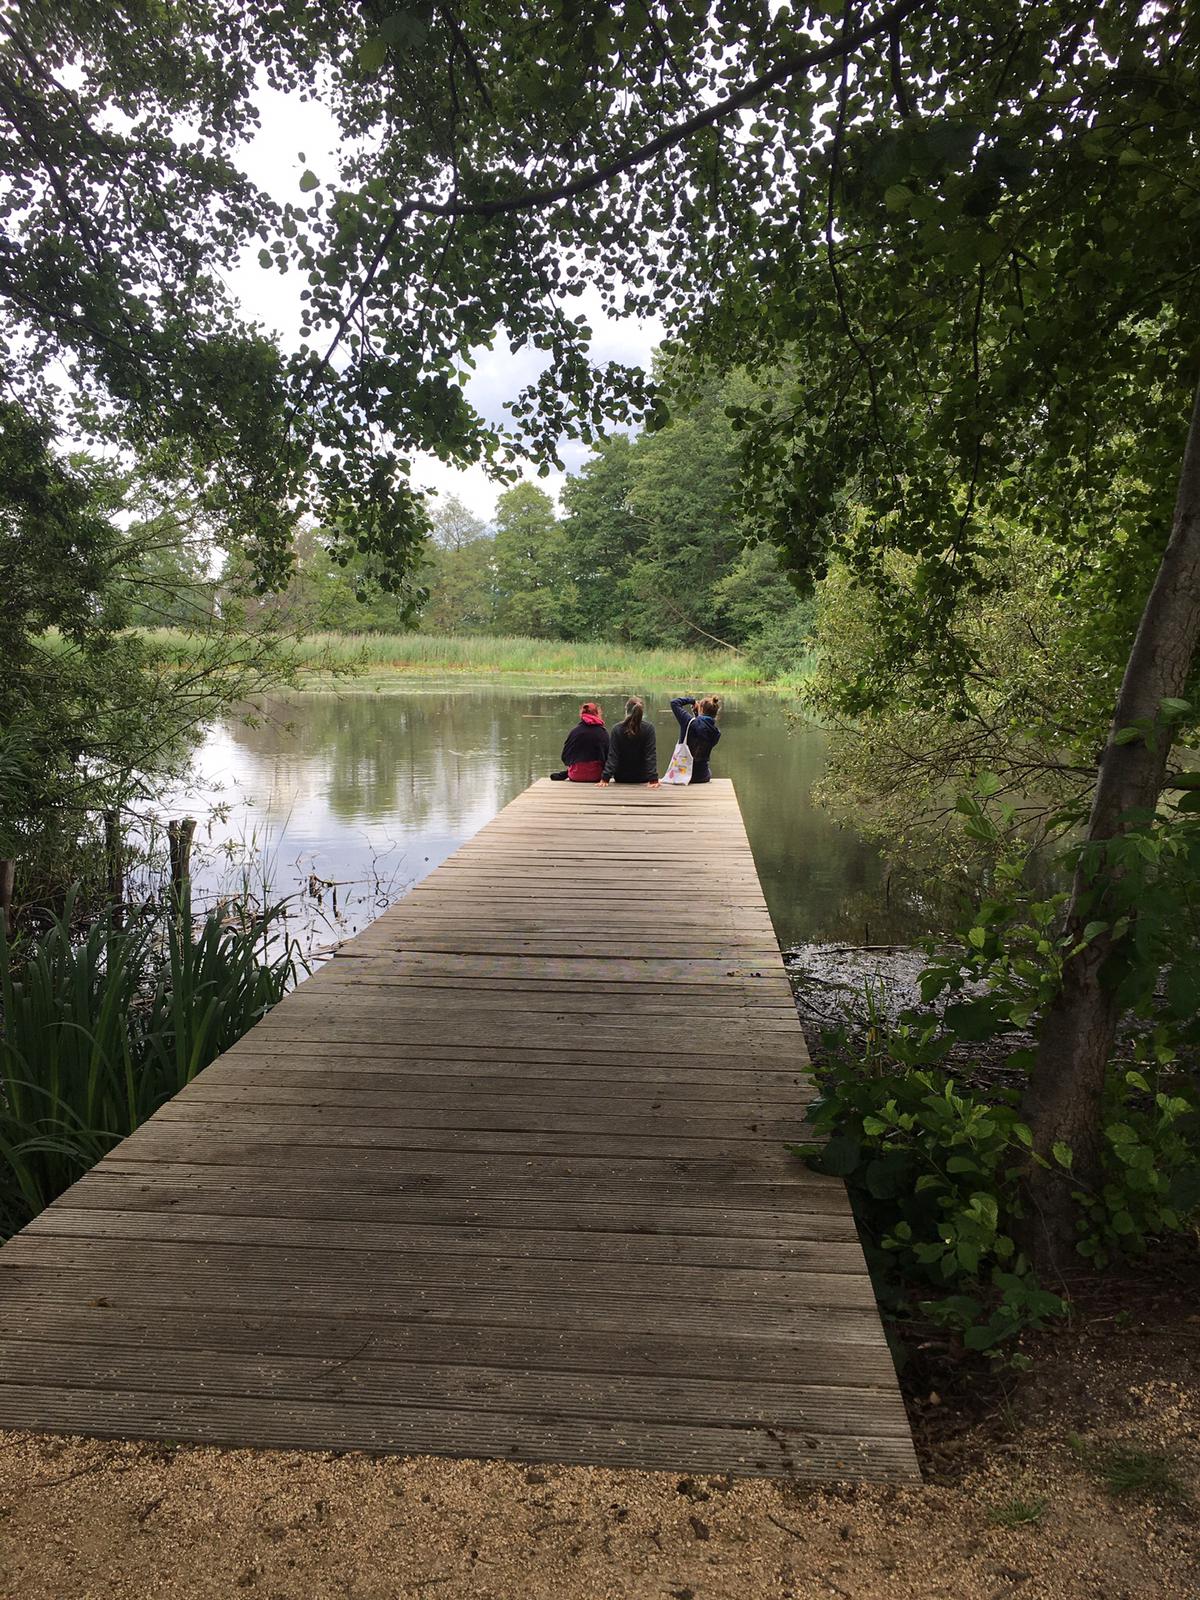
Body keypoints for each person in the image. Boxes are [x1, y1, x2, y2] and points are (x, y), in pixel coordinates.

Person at [601, 697, 659, 786]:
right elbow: (650, 755)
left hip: (621, 777)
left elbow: (613, 755)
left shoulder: (617, 729)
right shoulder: (649, 728)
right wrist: (653, 779)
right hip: (642, 778)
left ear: (626, 710)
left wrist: (605, 778)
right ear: (642, 711)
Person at [670, 694, 722, 783]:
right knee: (708, 770)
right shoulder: (716, 733)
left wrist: (692, 700)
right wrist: (697, 714)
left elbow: (674, 703)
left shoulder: (688, 722)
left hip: (683, 774)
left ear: (701, 709)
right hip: (702, 776)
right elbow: (702, 731)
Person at [553, 701, 609, 782]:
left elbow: (564, 757)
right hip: (596, 776)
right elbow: (608, 758)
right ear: (597, 713)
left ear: (581, 714)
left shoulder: (574, 732)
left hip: (575, 775)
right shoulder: (603, 732)